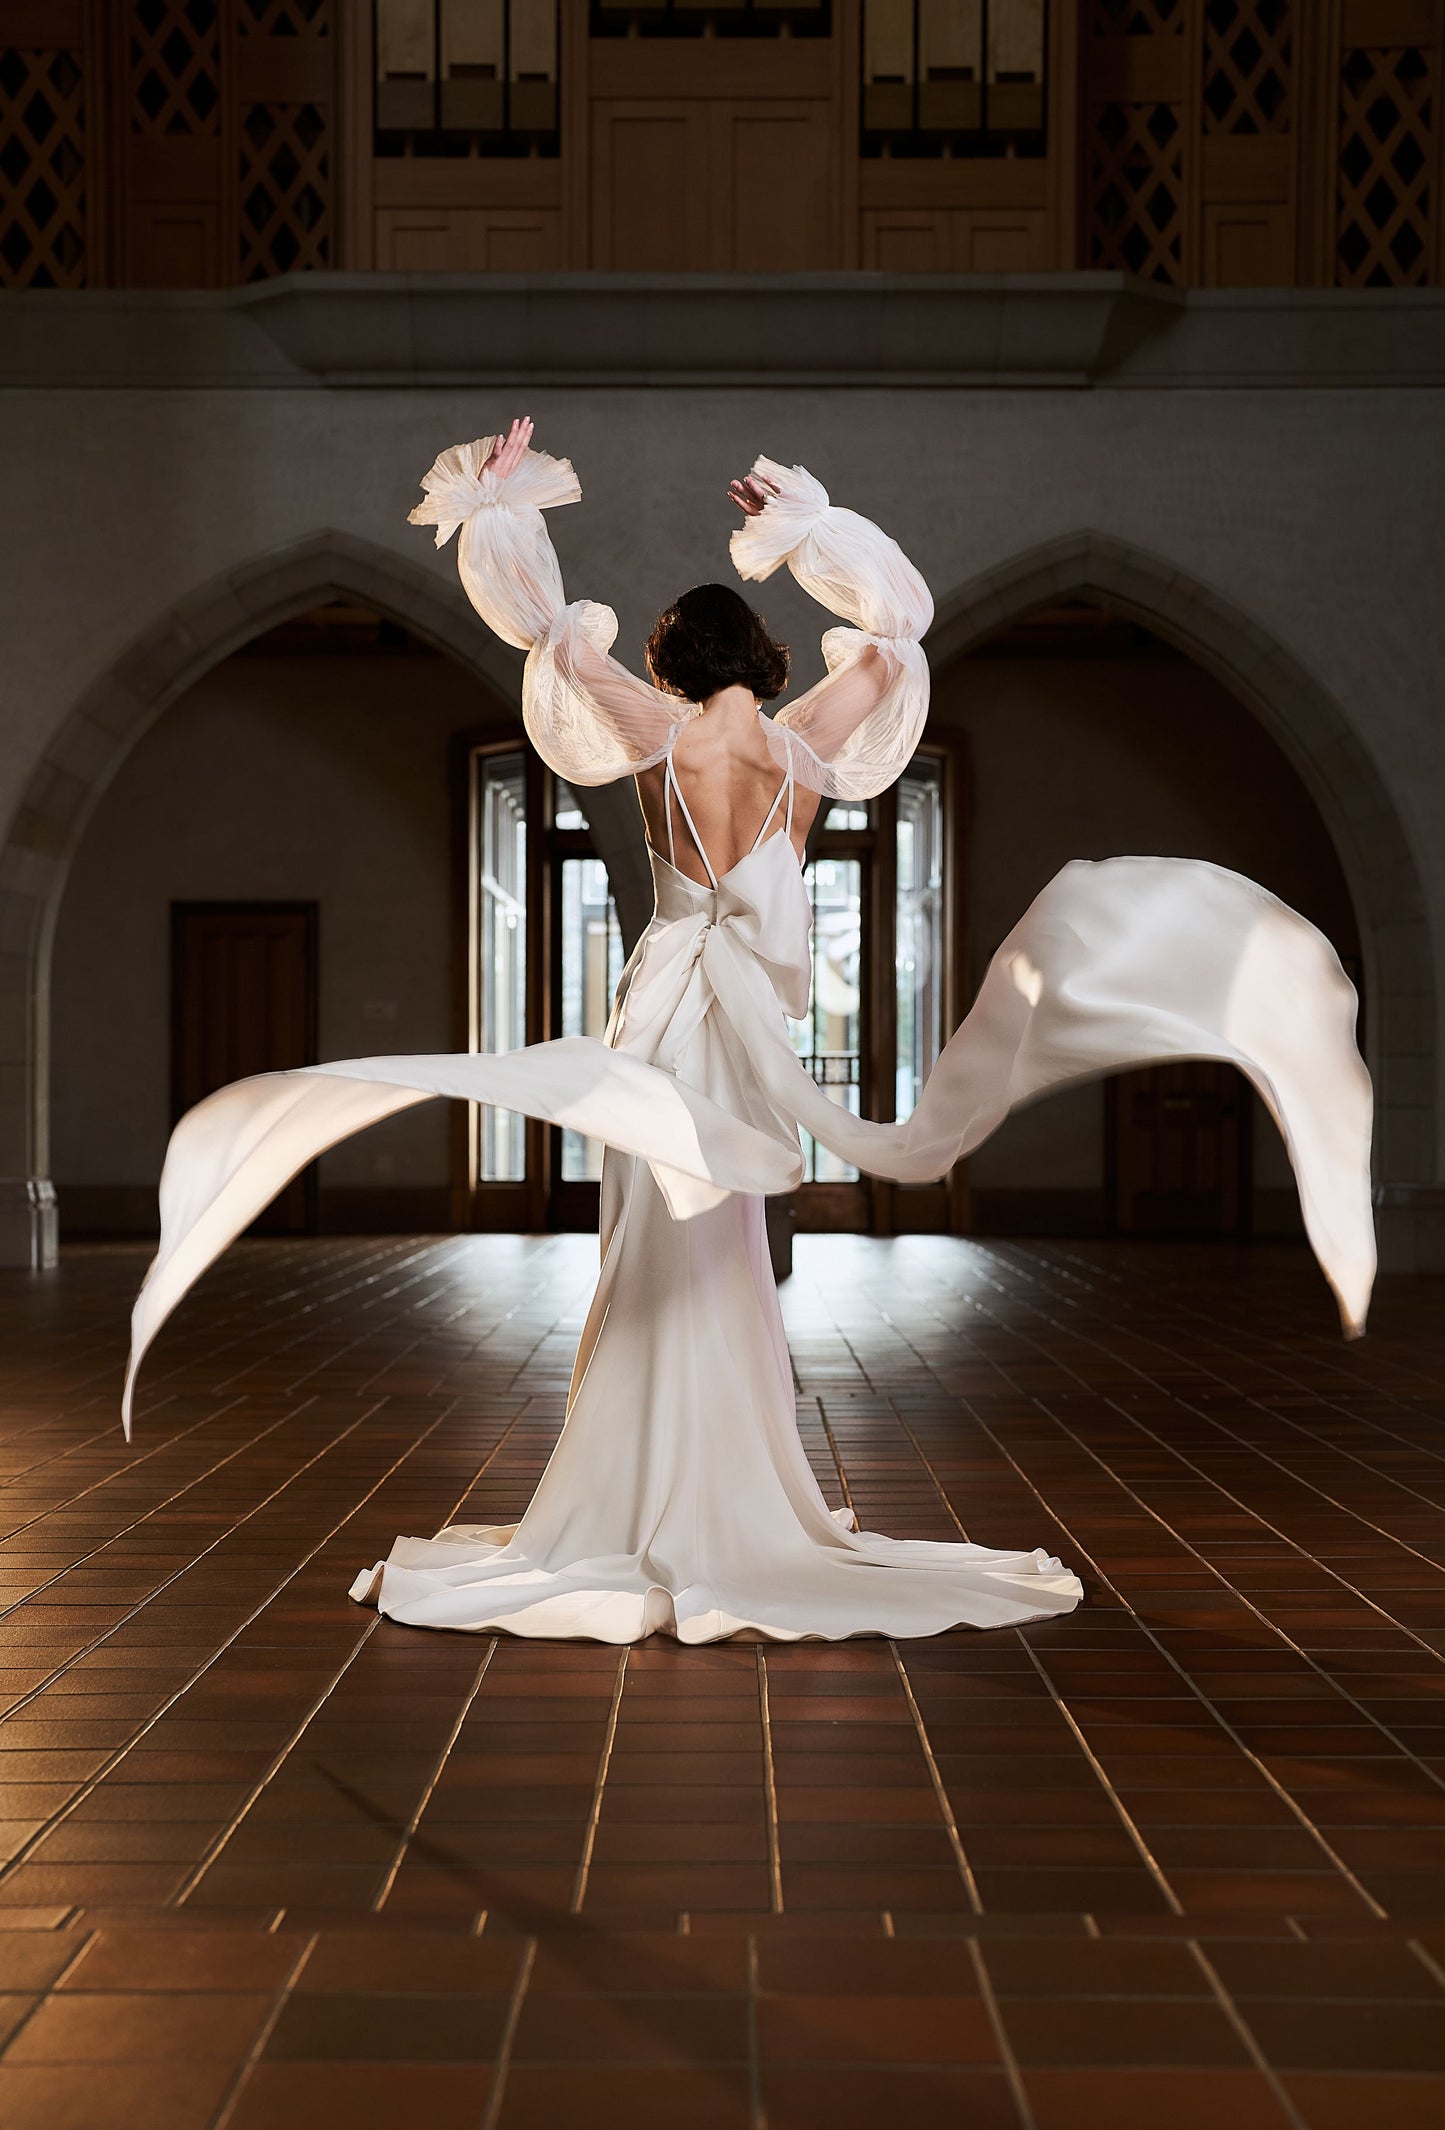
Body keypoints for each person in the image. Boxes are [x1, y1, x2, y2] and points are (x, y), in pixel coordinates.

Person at [122, 419, 1376, 1644]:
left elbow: (553, 647)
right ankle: (736, 1492)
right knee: (727, 1250)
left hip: (665, 1010)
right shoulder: (796, 747)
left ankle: (622, 1492)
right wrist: (813, 530)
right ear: (761, 660)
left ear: (668, 662)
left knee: (644, 1247)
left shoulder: (655, 733)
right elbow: (896, 640)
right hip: (742, 1026)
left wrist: (504, 513)